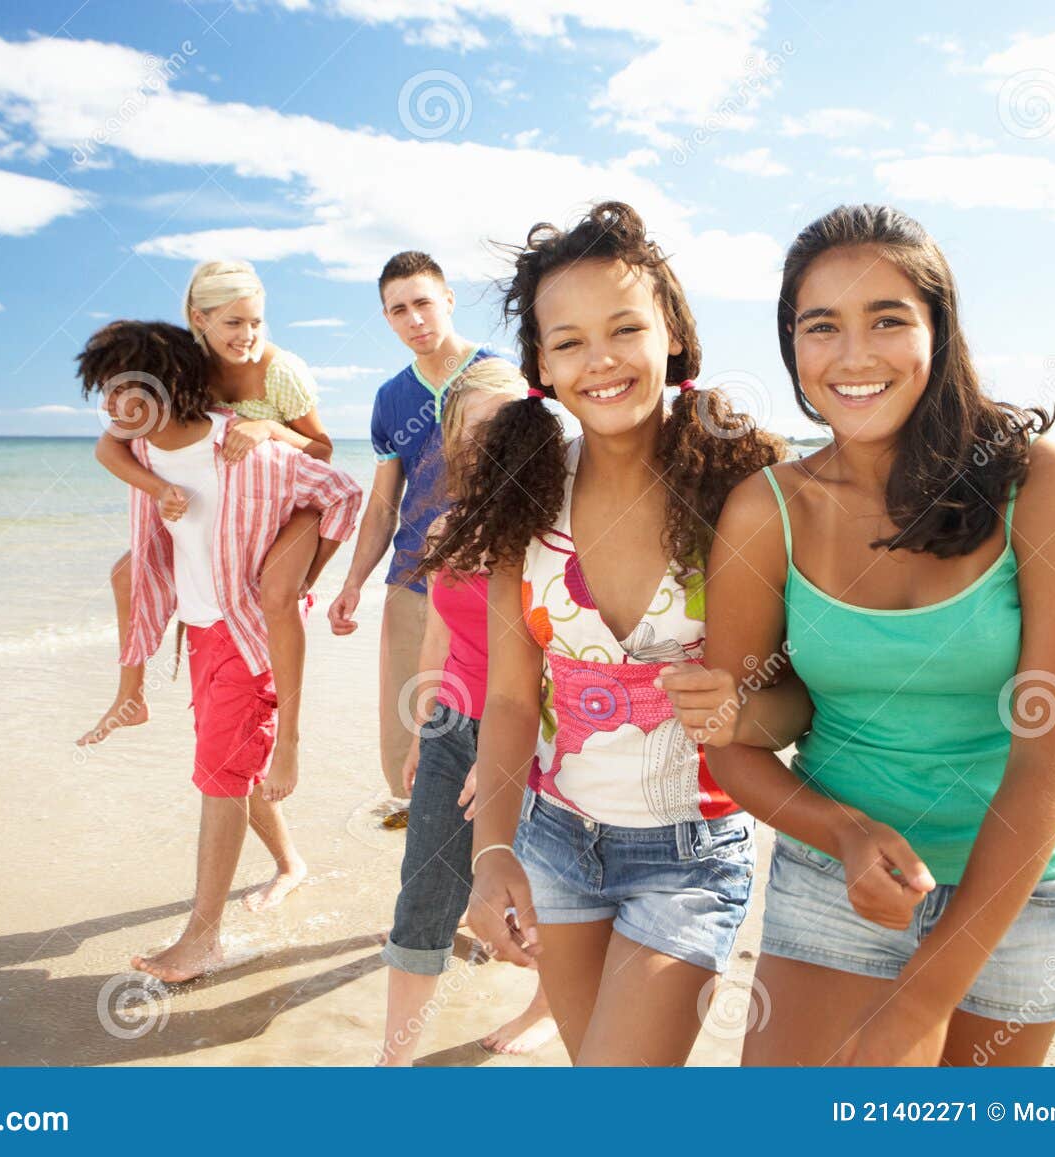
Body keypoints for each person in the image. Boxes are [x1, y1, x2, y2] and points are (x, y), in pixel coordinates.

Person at [667, 204, 1055, 1066]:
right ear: (792, 345)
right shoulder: (767, 508)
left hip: (1019, 893)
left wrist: (922, 1000)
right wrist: (841, 830)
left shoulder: (1046, 488)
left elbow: (1047, 757)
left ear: (939, 331)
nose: (854, 355)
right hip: (833, 882)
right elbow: (738, 745)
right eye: (821, 325)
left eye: (888, 320)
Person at [423, 202, 784, 1065]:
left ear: (674, 336)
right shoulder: (524, 496)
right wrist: (492, 852)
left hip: (693, 851)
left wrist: (745, 702)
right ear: (541, 364)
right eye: (571, 340)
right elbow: (512, 699)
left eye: (626, 328)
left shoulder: (744, 485)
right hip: (555, 838)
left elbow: (800, 680)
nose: (603, 360)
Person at [77, 320, 361, 982]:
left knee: (218, 780)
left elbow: (342, 491)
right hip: (201, 631)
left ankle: (202, 938)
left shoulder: (249, 455)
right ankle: (291, 863)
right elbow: (112, 464)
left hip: (247, 639)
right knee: (230, 771)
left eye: (124, 389)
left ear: (166, 385)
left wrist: (292, 584)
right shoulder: (145, 453)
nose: (112, 404)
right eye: (107, 390)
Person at [81, 262, 334, 814]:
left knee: (275, 596)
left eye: (257, 322)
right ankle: (131, 695)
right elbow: (112, 446)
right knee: (128, 573)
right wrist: (157, 486)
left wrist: (267, 428)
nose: (247, 335)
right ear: (199, 320)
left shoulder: (279, 370)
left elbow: (321, 452)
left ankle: (289, 737)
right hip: (230, 512)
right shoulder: (185, 369)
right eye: (233, 323)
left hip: (292, 503)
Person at [378, 357, 554, 1064]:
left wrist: (502, 756)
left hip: (542, 731)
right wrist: (427, 728)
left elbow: (563, 654)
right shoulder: (447, 523)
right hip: (455, 724)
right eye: (478, 431)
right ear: (452, 439)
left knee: (542, 893)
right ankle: (394, 1058)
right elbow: (441, 636)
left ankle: (547, 1006)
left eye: (512, 427)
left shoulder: (554, 529)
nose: (493, 445)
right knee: (424, 886)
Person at [327, 252, 503, 823]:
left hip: (491, 580)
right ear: (387, 319)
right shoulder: (390, 399)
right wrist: (352, 581)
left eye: (423, 302)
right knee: (407, 726)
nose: (414, 319)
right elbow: (384, 502)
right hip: (411, 575)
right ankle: (425, 855)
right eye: (398, 310)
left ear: (448, 299)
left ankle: (495, 857)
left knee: (493, 722)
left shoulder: (500, 377)